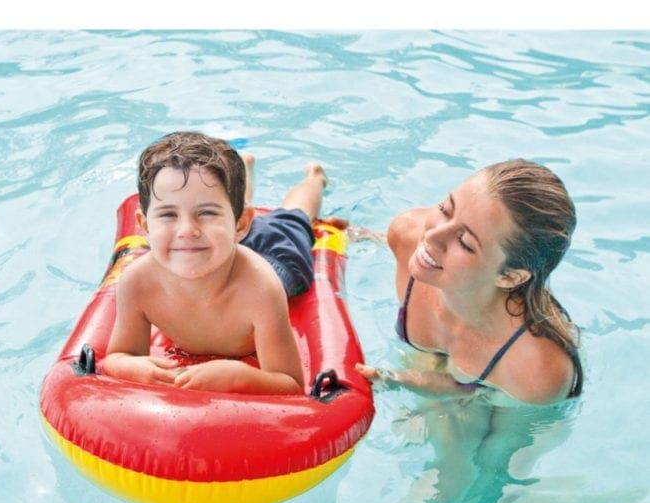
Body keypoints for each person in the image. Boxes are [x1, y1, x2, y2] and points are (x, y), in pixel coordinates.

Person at [102, 131, 342, 395]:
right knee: (223, 200)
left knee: (293, 216)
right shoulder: (137, 282)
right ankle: (239, 176)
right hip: (217, 244)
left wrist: (240, 377)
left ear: (241, 224)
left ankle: (314, 178)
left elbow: (290, 384)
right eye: (168, 214)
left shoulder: (261, 289)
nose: (187, 230)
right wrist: (132, 367)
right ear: (145, 226)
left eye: (206, 212)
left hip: (275, 254)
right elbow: (118, 356)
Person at [354, 159, 583, 405]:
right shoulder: (406, 235)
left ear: (508, 277)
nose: (431, 236)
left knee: (452, 427)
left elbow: (520, 423)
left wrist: (400, 380)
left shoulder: (537, 370)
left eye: (464, 243)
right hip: (450, 354)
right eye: (445, 209)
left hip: (496, 394)